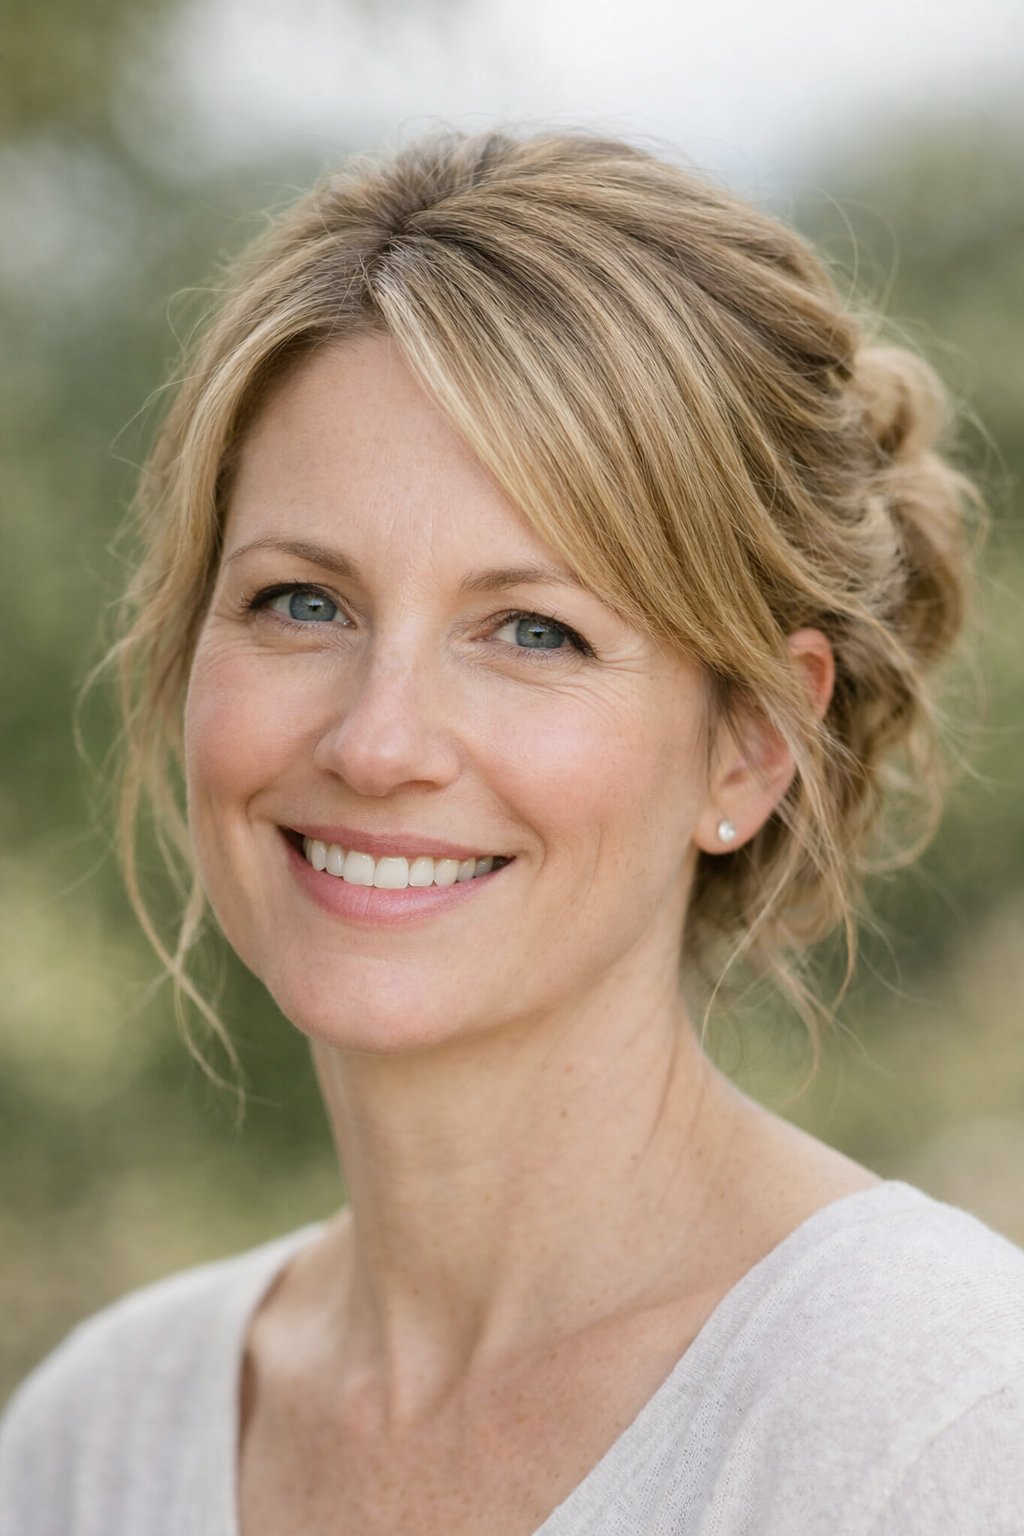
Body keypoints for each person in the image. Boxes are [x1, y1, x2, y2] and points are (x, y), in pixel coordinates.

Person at [1, 126, 1022, 1536]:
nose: (376, 742)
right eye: (304, 602)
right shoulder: (89, 1446)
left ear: (751, 743)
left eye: (532, 630)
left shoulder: (937, 1435)